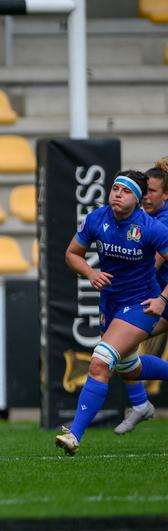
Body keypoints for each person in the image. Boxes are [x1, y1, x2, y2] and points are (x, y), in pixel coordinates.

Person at [57, 170, 168, 455]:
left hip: (141, 305)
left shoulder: (151, 228)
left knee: (101, 360)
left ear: (139, 199)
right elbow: (72, 254)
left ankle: (74, 435)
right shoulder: (96, 219)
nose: (118, 194)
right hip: (110, 304)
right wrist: (90, 272)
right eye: (115, 188)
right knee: (128, 367)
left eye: (126, 191)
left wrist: (163, 300)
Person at [115, 159, 168, 434]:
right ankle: (139, 404)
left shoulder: (163, 220)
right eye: (144, 191)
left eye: (153, 192)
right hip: (161, 299)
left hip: (163, 300)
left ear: (166, 195)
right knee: (118, 347)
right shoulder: (151, 217)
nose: (146, 196)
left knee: (116, 345)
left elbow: (154, 261)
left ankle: (139, 404)